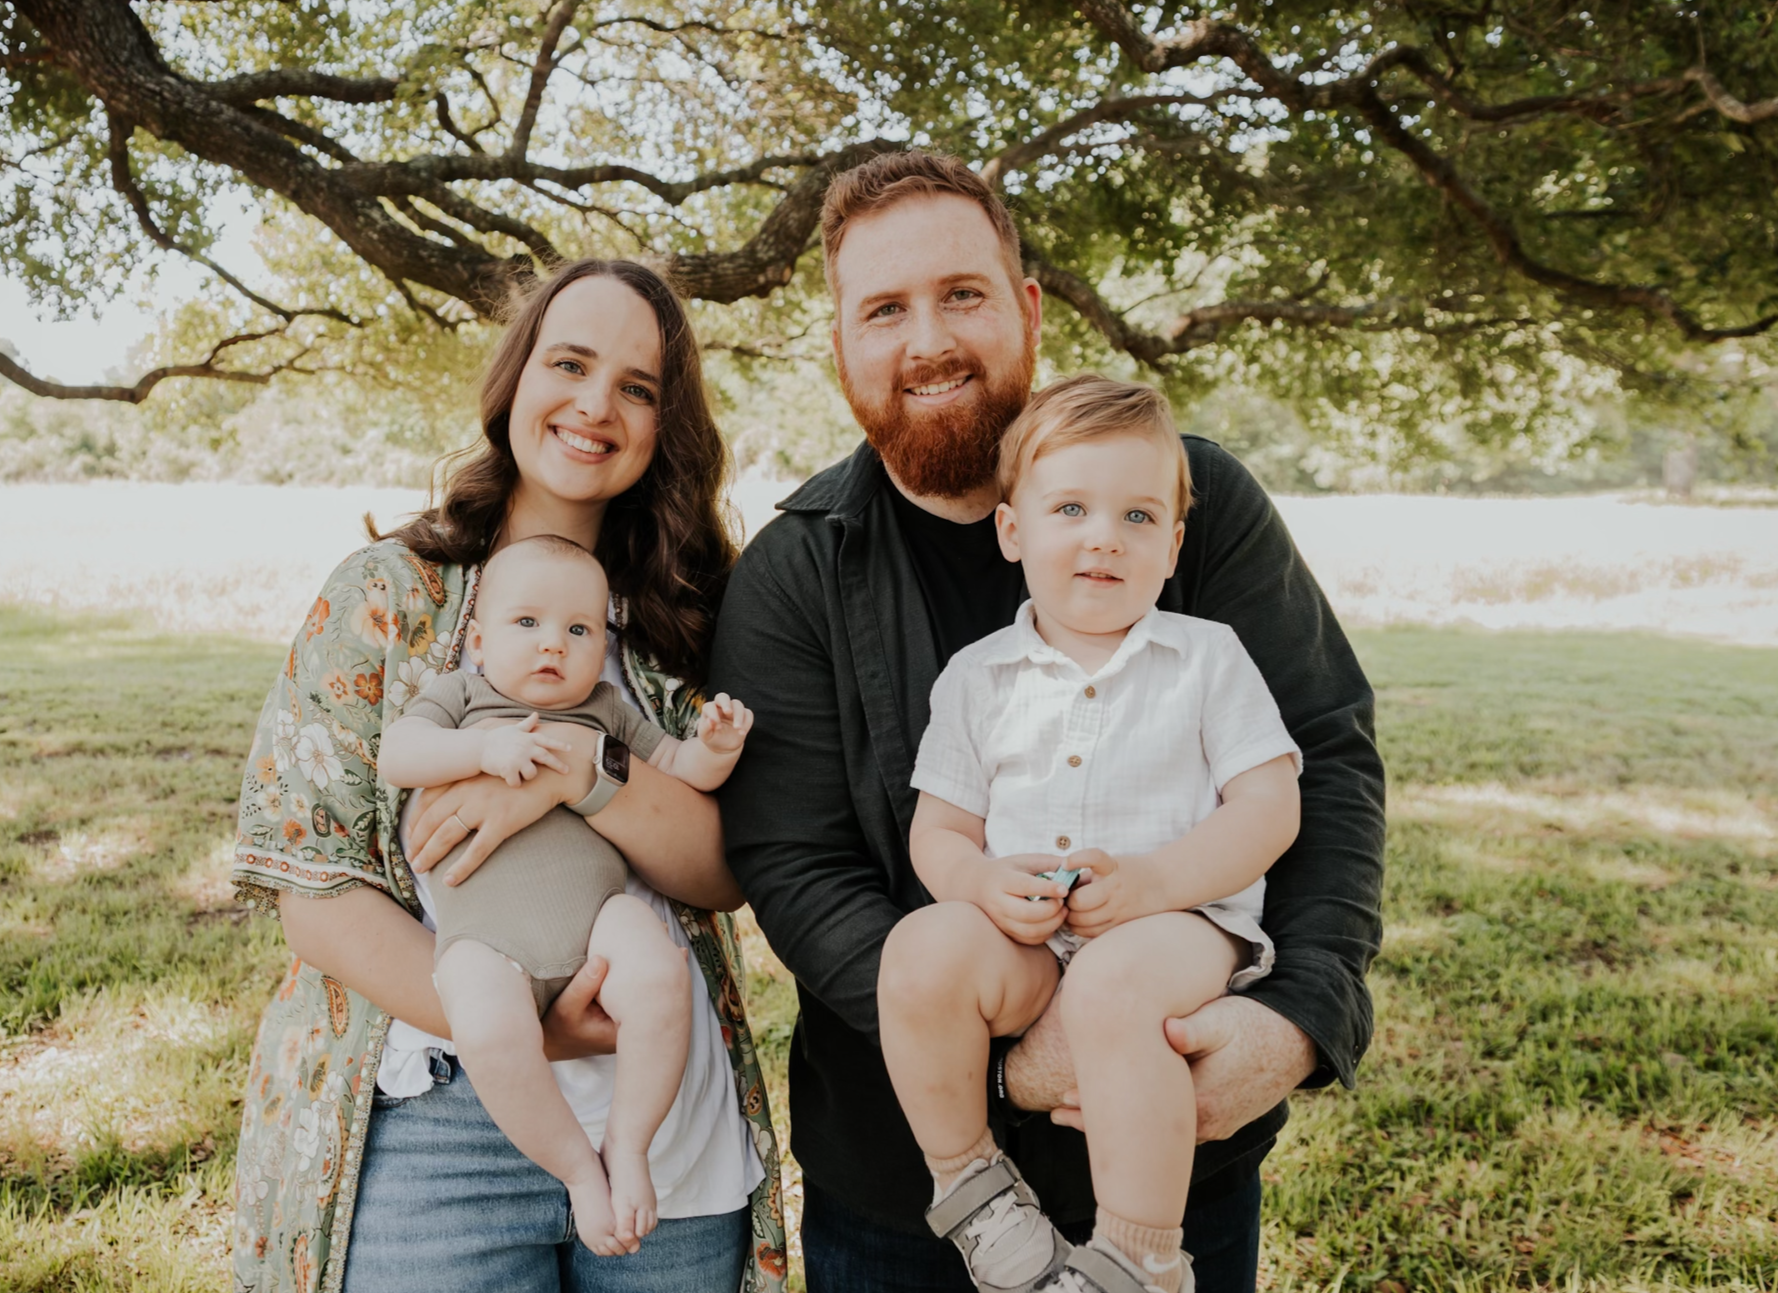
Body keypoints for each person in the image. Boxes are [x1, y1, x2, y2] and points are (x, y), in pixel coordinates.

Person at [710, 150, 1385, 1293]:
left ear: (1024, 309)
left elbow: (1319, 759)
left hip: (1185, 1146)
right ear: (841, 346)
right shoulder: (794, 570)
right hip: (898, 1196)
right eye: (883, 309)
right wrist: (1000, 1060)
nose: (926, 339)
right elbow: (794, 861)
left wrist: (1300, 1018)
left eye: (960, 294)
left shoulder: (1190, 500)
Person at [229, 259, 787, 1293]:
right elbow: (314, 888)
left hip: (661, 1125)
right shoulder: (387, 598)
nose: (594, 405)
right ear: (513, 379)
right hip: (433, 1116)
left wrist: (579, 771)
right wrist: (523, 1026)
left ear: (668, 423)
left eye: (637, 386)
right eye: (568, 363)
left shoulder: (691, 612)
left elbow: (726, 872)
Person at [878, 376, 1302, 1293]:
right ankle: (973, 1185)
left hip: (1177, 927)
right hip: (1030, 940)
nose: (1105, 535)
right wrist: (980, 885)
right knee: (920, 949)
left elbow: (1272, 807)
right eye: (1070, 506)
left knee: (1112, 982)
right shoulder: (976, 677)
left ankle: (1139, 1255)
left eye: (1139, 516)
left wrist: (1154, 883)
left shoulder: (1205, 657)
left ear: (1174, 544)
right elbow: (941, 829)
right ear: (1013, 531)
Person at [377, 533, 755, 1256]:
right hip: (487, 938)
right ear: (479, 642)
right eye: (528, 624)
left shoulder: (605, 708)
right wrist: (485, 751)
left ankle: (629, 1141)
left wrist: (715, 747)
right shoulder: (462, 696)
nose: (554, 644)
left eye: (578, 630)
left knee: (659, 973)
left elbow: (675, 765)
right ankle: (578, 1169)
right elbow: (400, 753)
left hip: (596, 916)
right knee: (488, 1027)